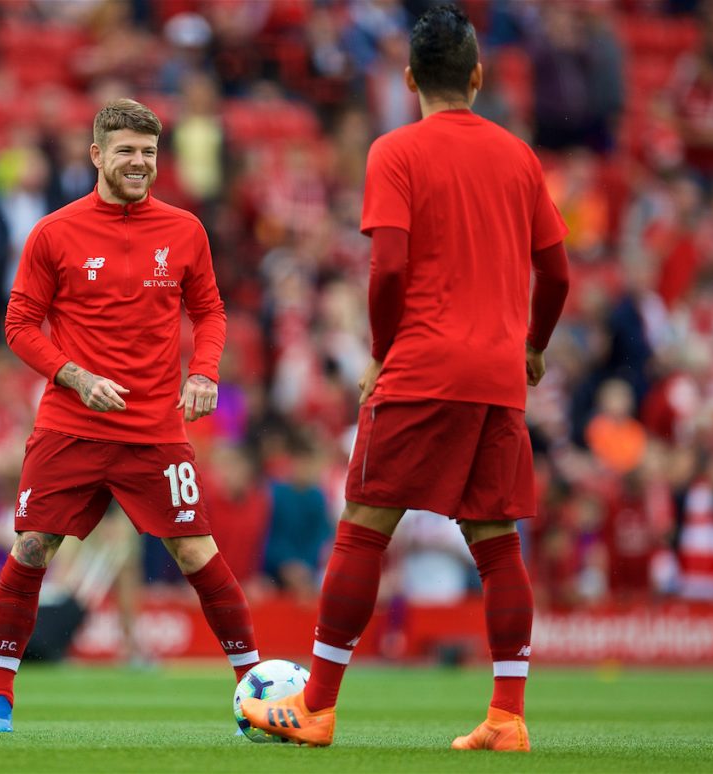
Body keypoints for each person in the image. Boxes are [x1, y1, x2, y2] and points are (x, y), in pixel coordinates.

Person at [241, 5, 569, 752]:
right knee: (497, 545)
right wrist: (534, 346)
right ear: (479, 77)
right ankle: (508, 718)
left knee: (363, 528)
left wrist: (383, 350)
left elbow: (388, 266)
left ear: (410, 77)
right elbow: (557, 272)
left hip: (421, 363)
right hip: (496, 375)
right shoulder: (521, 158)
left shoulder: (396, 150)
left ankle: (316, 708)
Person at [0, 99, 260, 732]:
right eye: (126, 151)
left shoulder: (185, 230)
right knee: (31, 546)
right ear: (98, 155)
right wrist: (73, 375)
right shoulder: (55, 232)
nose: (139, 162)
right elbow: (18, 323)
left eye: (149, 152)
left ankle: (255, 688)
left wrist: (204, 371)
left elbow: (211, 312)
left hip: (155, 429)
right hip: (69, 423)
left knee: (195, 552)